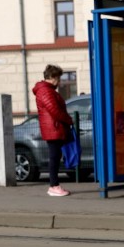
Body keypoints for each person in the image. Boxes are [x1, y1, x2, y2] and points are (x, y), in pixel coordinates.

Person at [33, 64, 74, 197]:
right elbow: (55, 110)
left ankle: (54, 185)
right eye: (58, 78)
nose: (59, 81)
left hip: (54, 128)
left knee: (55, 157)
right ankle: (54, 186)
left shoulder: (47, 90)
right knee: (54, 158)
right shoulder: (45, 91)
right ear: (51, 77)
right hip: (54, 128)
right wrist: (68, 120)